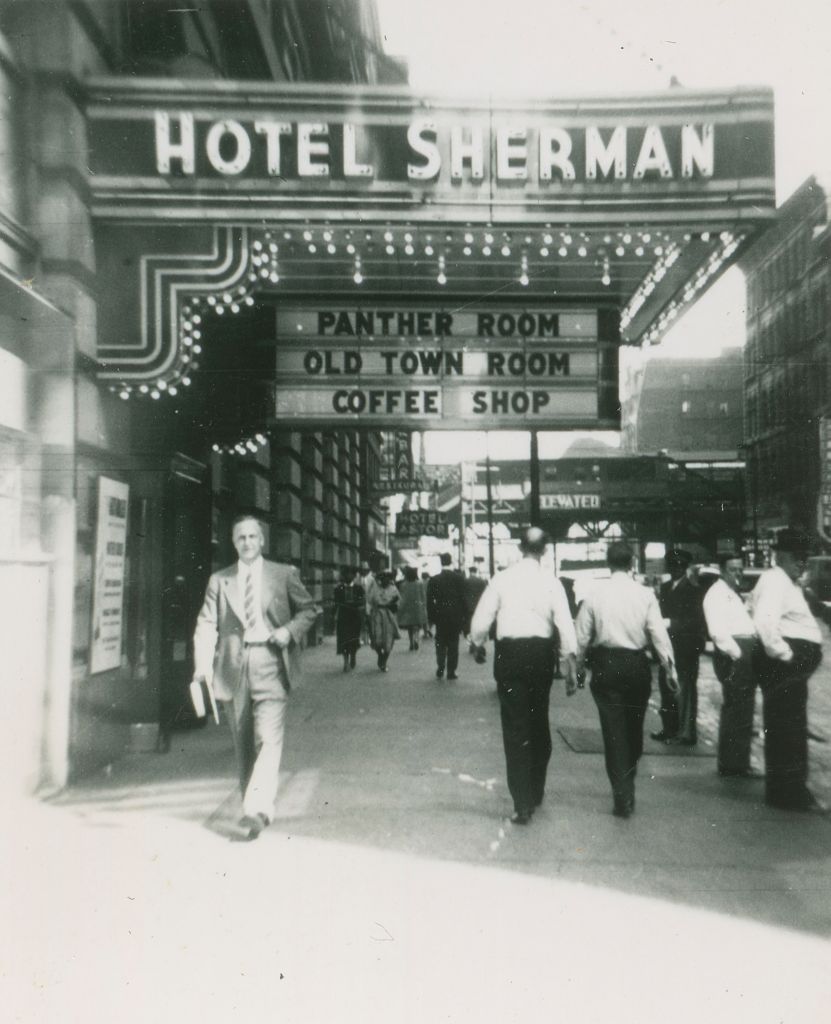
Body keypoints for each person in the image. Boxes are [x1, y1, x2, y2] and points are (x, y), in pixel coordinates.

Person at [192, 514, 320, 840]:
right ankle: (257, 810)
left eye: (252, 537)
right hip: (233, 666)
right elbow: (206, 623)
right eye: (241, 538)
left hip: (271, 661)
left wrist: (289, 631)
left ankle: (256, 807)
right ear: (233, 543)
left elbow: (309, 609)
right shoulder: (220, 580)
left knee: (268, 736)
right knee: (244, 743)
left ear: (262, 540)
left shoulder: (283, 574)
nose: (247, 542)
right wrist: (202, 665)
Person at [470, 527, 578, 824]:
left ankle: (521, 802)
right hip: (541, 657)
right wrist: (569, 663)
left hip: (510, 656)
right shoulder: (552, 582)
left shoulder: (502, 579)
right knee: (538, 720)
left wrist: (477, 643)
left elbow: (482, 617)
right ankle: (535, 789)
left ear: (520, 548)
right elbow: (564, 623)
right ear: (544, 550)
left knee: (515, 727)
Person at [575, 541, 676, 818]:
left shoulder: (594, 595)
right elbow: (659, 635)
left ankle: (622, 792)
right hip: (636, 666)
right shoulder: (645, 595)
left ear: (608, 563)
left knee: (614, 732)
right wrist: (670, 670)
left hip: (606, 666)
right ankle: (626, 784)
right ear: (632, 564)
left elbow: (581, 636)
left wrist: (578, 667)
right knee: (634, 729)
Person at [750, 528, 825, 812]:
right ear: (781, 556)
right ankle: (789, 794)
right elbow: (764, 623)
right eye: (797, 557)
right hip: (784, 667)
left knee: (787, 727)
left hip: (786, 667)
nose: (802, 563)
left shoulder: (784, 582)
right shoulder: (775, 581)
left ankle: (785, 791)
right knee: (788, 729)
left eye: (805, 557)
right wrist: (787, 655)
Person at [702, 552, 762, 778]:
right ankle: (732, 765)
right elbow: (718, 632)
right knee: (737, 709)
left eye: (740, 569)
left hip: (743, 653)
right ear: (722, 570)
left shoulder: (731, 593)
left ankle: (738, 763)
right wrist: (738, 655)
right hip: (734, 655)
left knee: (743, 709)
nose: (738, 573)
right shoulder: (716, 595)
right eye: (732, 569)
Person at [652, 548, 706, 745]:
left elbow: (696, 621)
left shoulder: (694, 590)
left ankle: (686, 734)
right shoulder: (666, 588)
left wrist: (672, 623)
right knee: (666, 687)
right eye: (673, 566)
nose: (677, 569)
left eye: (680, 566)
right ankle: (669, 729)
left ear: (685, 568)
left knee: (684, 690)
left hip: (686, 647)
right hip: (667, 646)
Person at [427, 552, 468, 680]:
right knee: (453, 643)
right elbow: (464, 599)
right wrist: (464, 617)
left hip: (440, 616)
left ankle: (440, 666)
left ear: (441, 562)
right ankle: (451, 671)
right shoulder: (459, 578)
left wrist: (432, 617)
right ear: (451, 562)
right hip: (455, 617)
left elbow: (429, 601)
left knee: (440, 642)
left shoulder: (434, 580)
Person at [333, 566, 364, 672]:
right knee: (343, 639)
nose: (348, 576)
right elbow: (335, 603)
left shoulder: (358, 588)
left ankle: (353, 656)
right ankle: (345, 662)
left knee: (354, 639)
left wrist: (354, 603)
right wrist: (333, 616)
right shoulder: (338, 589)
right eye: (346, 574)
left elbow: (362, 601)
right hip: (343, 617)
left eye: (351, 574)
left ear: (354, 576)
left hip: (355, 617)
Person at [368, 569, 400, 671]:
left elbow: (398, 603)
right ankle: (380, 654)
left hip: (389, 616)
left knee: (389, 639)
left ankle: (384, 661)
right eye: (383, 578)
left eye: (388, 578)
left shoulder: (393, 589)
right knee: (377, 638)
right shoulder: (375, 588)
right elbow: (370, 600)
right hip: (377, 615)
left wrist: (392, 605)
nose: (385, 580)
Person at [397, 566, 428, 650]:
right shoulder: (419, 584)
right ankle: (416, 640)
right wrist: (424, 606)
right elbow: (423, 596)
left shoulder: (403, 585)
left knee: (410, 627)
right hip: (418, 607)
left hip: (408, 608)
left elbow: (402, 597)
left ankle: (411, 642)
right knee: (417, 626)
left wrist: (400, 608)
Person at [463, 565, 488, 655]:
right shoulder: (481, 581)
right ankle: (480, 645)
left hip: (468, 608)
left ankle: (471, 645)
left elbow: (462, 595)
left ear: (469, 572)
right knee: (479, 626)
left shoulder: (465, 581)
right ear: (476, 572)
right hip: (479, 608)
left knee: (470, 627)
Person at [420, 572, 433, 638]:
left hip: (422, 602)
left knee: (424, 618)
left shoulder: (420, 582)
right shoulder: (430, 582)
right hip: (430, 601)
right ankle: (429, 629)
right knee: (431, 617)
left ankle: (425, 633)